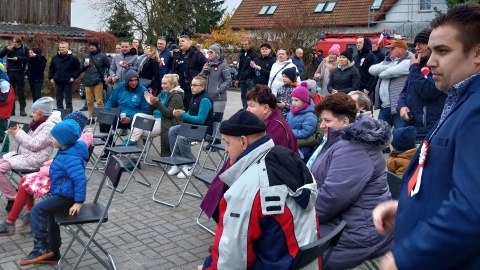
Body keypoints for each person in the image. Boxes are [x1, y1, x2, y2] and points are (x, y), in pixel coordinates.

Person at [373, 4, 480, 269]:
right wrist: (407, 208)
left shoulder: (476, 109)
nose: (430, 61)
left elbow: (472, 209)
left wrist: (406, 259)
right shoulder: (461, 99)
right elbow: (448, 182)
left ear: (477, 53)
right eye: (430, 51)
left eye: (443, 51)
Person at [201, 109, 319, 270]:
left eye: (228, 143)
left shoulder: (245, 190)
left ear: (243, 141)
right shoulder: (286, 158)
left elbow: (231, 261)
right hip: (305, 261)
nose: (226, 149)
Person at [308, 93, 393, 269]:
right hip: (348, 221)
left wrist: (301, 215)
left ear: (345, 122)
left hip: (359, 234)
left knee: (288, 244)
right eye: (321, 121)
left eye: (327, 121)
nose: (322, 125)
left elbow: (332, 198)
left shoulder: (353, 148)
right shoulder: (341, 141)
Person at [0, 112, 91, 238]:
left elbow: (78, 178)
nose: (51, 139)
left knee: (27, 183)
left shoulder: (71, 153)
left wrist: (79, 201)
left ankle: (15, 221)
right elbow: (60, 163)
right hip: (54, 174)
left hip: (58, 182)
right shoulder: (68, 147)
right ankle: (26, 216)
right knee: (25, 181)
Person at [18, 119, 88, 266]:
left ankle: (41, 247)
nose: (51, 139)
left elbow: (80, 180)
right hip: (62, 192)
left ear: (63, 140)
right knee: (49, 214)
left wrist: (78, 202)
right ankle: (53, 254)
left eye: (53, 137)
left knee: (38, 210)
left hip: (67, 197)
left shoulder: (71, 157)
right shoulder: (65, 151)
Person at [0, 97, 60, 212]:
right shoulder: (39, 122)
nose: (31, 114)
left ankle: (14, 197)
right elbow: (27, 143)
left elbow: (35, 144)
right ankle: (14, 195)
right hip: (27, 155)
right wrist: (15, 134)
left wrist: (20, 134)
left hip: (34, 160)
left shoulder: (48, 126)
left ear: (40, 113)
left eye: (33, 112)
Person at [397, 28, 447, 141]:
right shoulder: (417, 66)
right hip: (411, 126)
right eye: (415, 45)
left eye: (421, 44)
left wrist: (413, 68)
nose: (416, 48)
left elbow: (428, 91)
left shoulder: (438, 67)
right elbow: (404, 91)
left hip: (429, 129)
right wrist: (402, 106)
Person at [167, 75, 213, 179]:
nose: (192, 87)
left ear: (202, 87)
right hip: (192, 127)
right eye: (191, 85)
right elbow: (191, 112)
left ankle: (189, 164)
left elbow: (201, 119)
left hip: (203, 130)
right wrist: (183, 112)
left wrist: (183, 115)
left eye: (195, 85)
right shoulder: (195, 96)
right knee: (172, 130)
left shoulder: (205, 99)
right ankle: (177, 162)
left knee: (182, 138)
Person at [100, 70, 149, 157]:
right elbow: (111, 101)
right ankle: (109, 150)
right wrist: (108, 113)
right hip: (120, 116)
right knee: (104, 122)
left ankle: (137, 153)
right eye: (131, 80)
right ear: (126, 81)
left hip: (134, 119)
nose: (134, 83)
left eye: (136, 80)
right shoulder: (120, 87)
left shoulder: (143, 90)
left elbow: (145, 110)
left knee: (138, 128)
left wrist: (131, 118)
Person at [136, 74, 184, 157]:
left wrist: (156, 103)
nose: (162, 86)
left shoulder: (177, 96)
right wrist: (151, 103)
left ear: (172, 85)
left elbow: (169, 114)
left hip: (165, 122)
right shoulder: (162, 94)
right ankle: (133, 142)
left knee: (137, 131)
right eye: (162, 83)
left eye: (165, 84)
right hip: (155, 119)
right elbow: (151, 112)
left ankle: (135, 155)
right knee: (138, 115)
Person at [369, 40, 411, 129]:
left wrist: (383, 71)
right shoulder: (388, 61)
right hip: (385, 107)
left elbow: (385, 74)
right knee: (379, 135)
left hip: (399, 107)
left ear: (401, 50)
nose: (390, 51)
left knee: (401, 135)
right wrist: (388, 67)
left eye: (393, 48)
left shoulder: (408, 62)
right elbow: (371, 69)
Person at [168, 35, 207, 111]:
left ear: (189, 43)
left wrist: (201, 76)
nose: (180, 43)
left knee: (189, 108)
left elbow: (206, 64)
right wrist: (171, 57)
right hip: (177, 87)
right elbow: (169, 66)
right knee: (177, 108)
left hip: (190, 88)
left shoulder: (196, 53)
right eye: (179, 42)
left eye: (183, 41)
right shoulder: (177, 54)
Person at [77, 41, 110, 120]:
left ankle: (101, 118)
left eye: (93, 46)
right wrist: (84, 65)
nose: (91, 47)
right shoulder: (86, 56)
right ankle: (91, 118)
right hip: (87, 82)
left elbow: (110, 66)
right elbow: (80, 69)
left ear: (97, 46)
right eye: (90, 46)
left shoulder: (103, 56)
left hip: (98, 81)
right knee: (89, 102)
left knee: (99, 102)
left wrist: (107, 76)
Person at [286, 82, 318, 163]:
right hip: (292, 142)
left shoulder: (310, 116)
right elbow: (286, 123)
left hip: (304, 147)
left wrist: (289, 131)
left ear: (304, 101)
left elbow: (305, 132)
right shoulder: (291, 112)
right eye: (292, 100)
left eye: (296, 100)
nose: (293, 103)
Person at [0, 36, 29, 116]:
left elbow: (28, 59)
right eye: (13, 42)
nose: (13, 44)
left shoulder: (24, 49)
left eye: (15, 42)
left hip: (19, 72)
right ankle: (12, 110)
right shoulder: (9, 48)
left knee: (21, 92)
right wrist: (6, 50)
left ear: (19, 43)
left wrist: (18, 58)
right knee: (11, 92)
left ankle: (22, 109)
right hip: (10, 72)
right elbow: (0, 55)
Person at [48, 41, 80, 110]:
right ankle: (60, 114)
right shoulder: (55, 58)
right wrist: (51, 77)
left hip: (68, 81)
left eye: (63, 47)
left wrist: (73, 77)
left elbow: (78, 69)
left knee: (68, 100)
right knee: (59, 100)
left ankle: (68, 115)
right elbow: (51, 68)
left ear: (67, 48)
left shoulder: (73, 58)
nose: (61, 49)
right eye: (60, 47)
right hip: (58, 81)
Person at [200, 44, 231, 110]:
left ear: (217, 53)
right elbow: (200, 78)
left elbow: (228, 81)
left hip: (218, 98)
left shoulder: (223, 65)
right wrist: (203, 71)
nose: (209, 54)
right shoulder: (207, 64)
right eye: (208, 52)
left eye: (211, 52)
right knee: (208, 119)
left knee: (216, 119)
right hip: (207, 97)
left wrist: (218, 90)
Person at [234, 39, 257, 108]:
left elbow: (254, 68)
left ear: (250, 45)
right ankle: (245, 109)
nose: (244, 46)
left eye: (246, 44)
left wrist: (251, 77)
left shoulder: (253, 55)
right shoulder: (242, 54)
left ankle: (251, 110)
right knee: (243, 95)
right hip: (243, 78)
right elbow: (240, 68)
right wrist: (237, 79)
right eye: (243, 44)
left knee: (251, 95)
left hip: (250, 79)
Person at [0, 62, 15, 152]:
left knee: (3, 136)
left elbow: (5, 99)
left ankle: (4, 154)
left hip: (1, 115)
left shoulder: (4, 84)